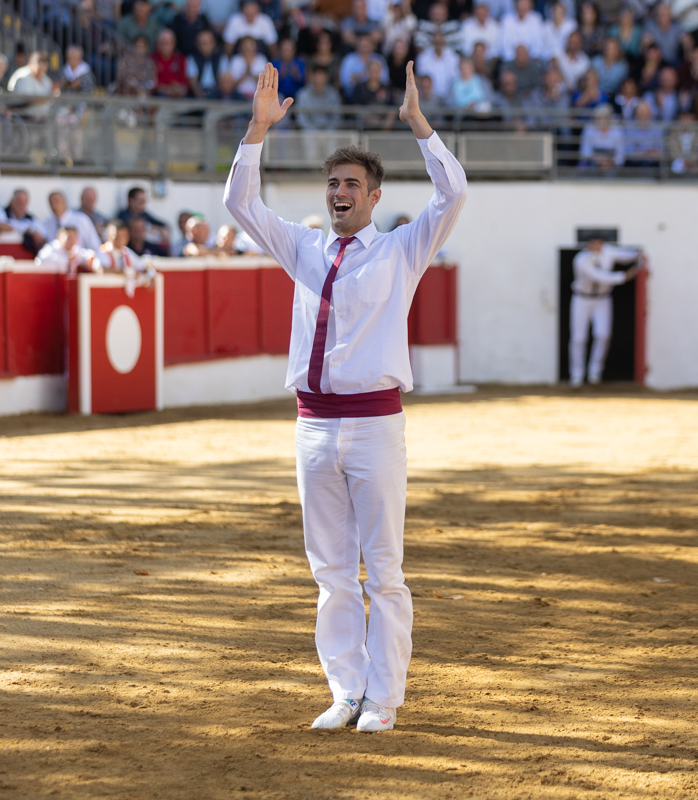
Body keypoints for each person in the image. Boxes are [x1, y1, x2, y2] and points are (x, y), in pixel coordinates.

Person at [223, 61, 467, 733]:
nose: (339, 193)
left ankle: (384, 698)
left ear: (375, 196)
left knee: (383, 571)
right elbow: (240, 206)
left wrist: (419, 125)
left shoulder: (401, 251)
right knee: (331, 572)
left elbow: (453, 197)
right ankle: (345, 691)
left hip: (374, 426)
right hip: (312, 426)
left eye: (351, 185)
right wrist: (257, 130)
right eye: (332, 183)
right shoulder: (303, 248)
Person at [568, 235, 642, 387]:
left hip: (602, 299)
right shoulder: (581, 260)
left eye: (599, 244)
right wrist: (625, 276)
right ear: (588, 245)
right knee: (578, 338)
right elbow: (599, 276)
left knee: (603, 335)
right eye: (593, 245)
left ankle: (595, 372)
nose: (596, 248)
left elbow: (625, 255)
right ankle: (577, 375)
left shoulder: (608, 251)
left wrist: (638, 254)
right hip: (581, 299)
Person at [38, 191, 103, 252]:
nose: (54, 205)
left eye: (57, 201)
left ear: (65, 201)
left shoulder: (81, 220)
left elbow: (95, 246)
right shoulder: (47, 223)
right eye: (51, 202)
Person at [154, 29, 190, 98]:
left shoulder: (180, 59)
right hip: (160, 93)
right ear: (158, 44)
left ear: (174, 44)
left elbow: (185, 82)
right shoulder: (153, 59)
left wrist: (178, 89)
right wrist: (166, 89)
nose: (165, 47)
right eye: (163, 43)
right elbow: (152, 82)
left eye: (168, 43)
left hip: (178, 93)